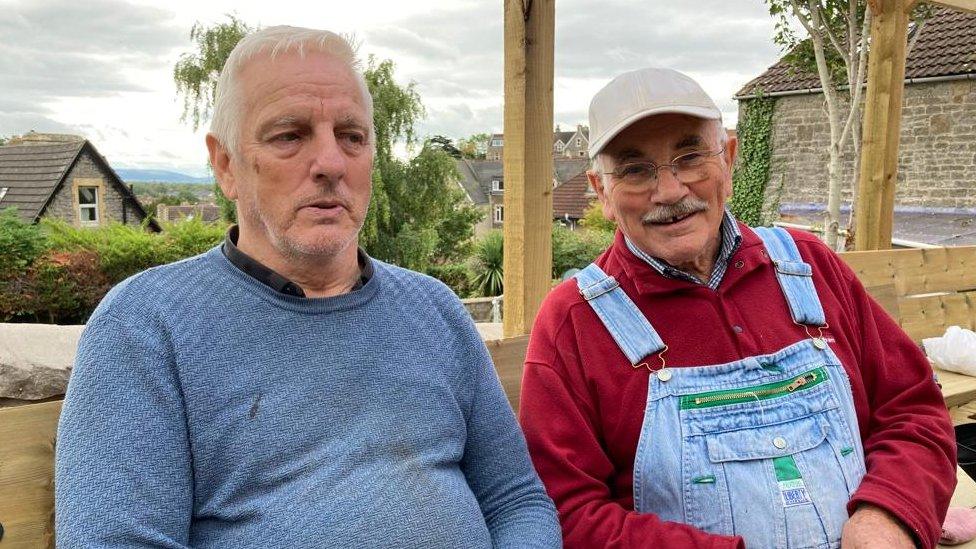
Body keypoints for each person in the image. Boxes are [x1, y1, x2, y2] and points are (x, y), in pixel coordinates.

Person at [55, 26, 561, 548]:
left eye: (352, 137)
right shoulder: (145, 327)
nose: (331, 164)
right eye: (289, 135)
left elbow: (515, 500)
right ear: (226, 164)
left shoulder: (433, 309)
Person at [519, 67, 956, 548]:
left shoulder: (810, 267)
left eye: (689, 158)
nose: (669, 192)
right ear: (601, 191)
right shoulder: (574, 320)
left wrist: (889, 515)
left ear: (727, 158)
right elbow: (566, 511)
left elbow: (912, 410)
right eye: (634, 170)